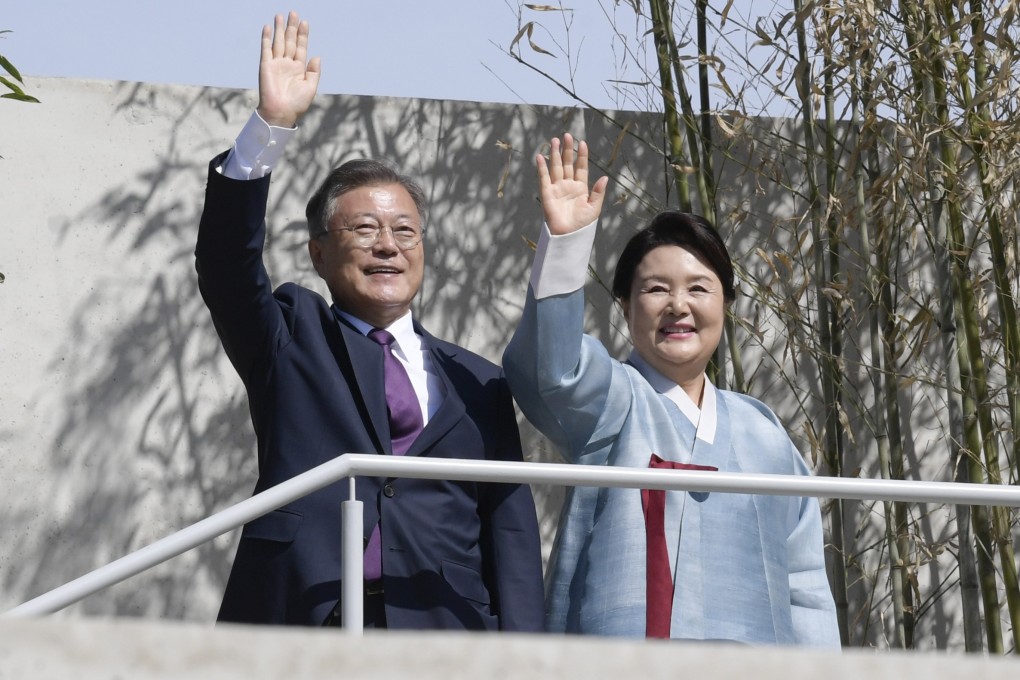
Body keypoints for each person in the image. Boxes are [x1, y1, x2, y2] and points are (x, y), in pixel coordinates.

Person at [196, 12, 544, 631]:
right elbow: (227, 264)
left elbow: (509, 529)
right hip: (308, 617)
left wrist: (529, 656)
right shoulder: (290, 337)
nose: (388, 245)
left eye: (404, 231)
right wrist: (271, 126)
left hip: (447, 631)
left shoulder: (480, 382)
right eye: (363, 229)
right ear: (319, 254)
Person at [502, 134, 841, 646]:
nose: (678, 305)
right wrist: (567, 245)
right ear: (624, 306)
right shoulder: (612, 399)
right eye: (656, 289)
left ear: (726, 304)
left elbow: (806, 584)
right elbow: (552, 372)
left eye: (699, 288)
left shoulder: (763, 432)